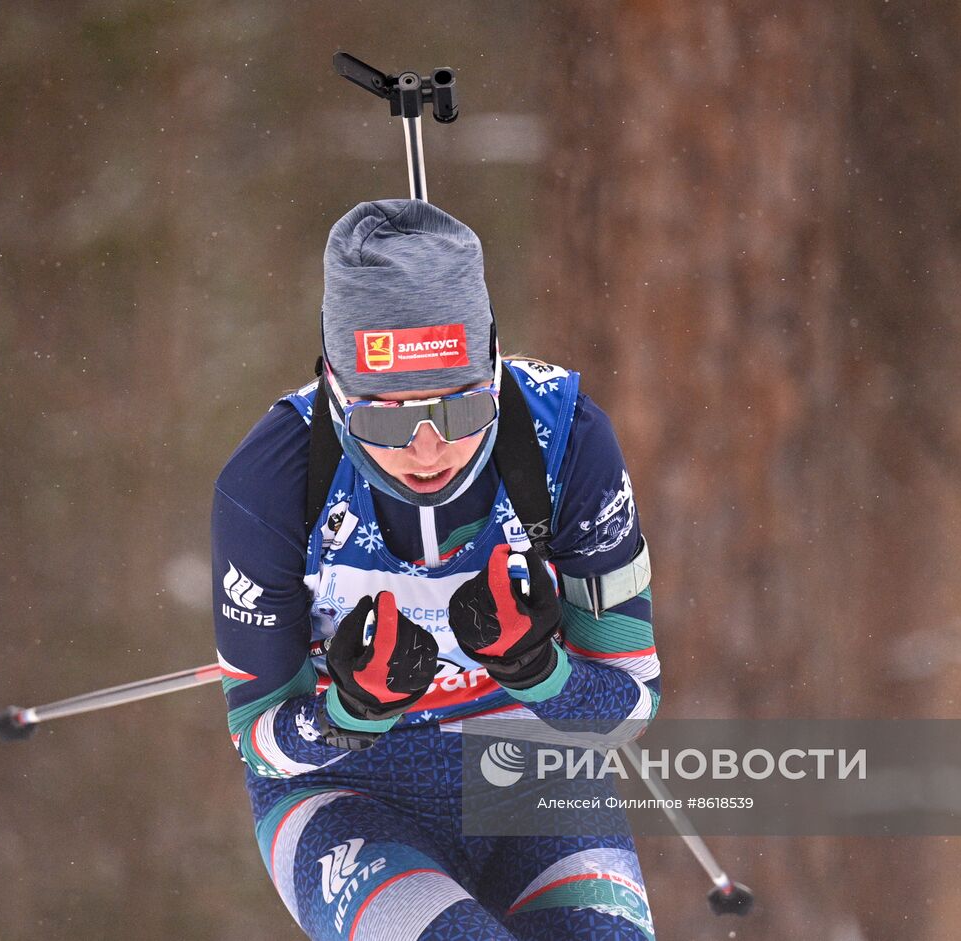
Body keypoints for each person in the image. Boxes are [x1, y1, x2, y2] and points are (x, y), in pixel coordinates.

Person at [212, 199, 661, 940]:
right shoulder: (270, 480)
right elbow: (257, 736)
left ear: (494, 365)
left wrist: (538, 672)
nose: (427, 452)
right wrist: (348, 711)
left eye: (460, 411)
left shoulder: (565, 437)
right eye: (385, 419)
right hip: (343, 792)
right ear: (333, 385)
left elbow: (632, 707)